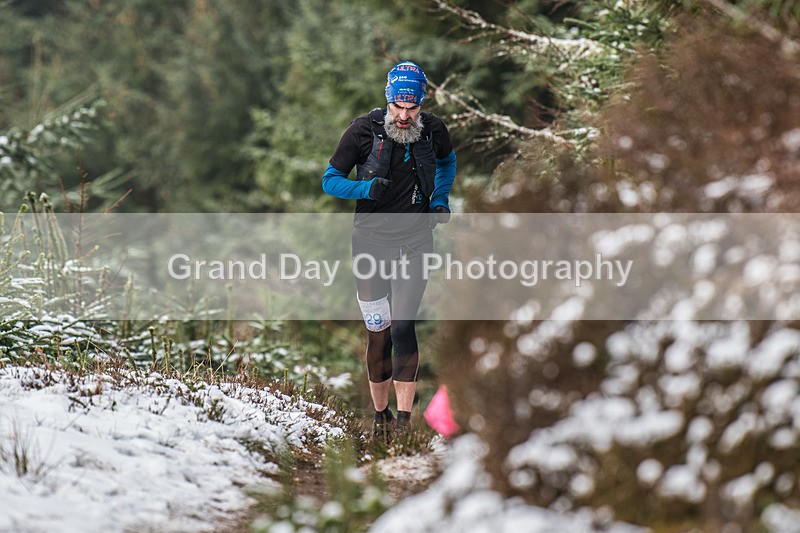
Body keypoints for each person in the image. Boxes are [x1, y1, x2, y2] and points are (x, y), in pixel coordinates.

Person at [321, 61, 457, 439]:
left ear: (421, 103)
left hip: (416, 240)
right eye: (398, 107)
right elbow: (330, 180)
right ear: (388, 100)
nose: (404, 115)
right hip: (369, 242)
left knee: (403, 326)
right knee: (378, 331)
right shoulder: (362, 130)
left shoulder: (431, 131)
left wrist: (440, 199)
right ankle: (379, 417)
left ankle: (402, 423)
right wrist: (365, 190)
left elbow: (447, 162)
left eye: (411, 108)